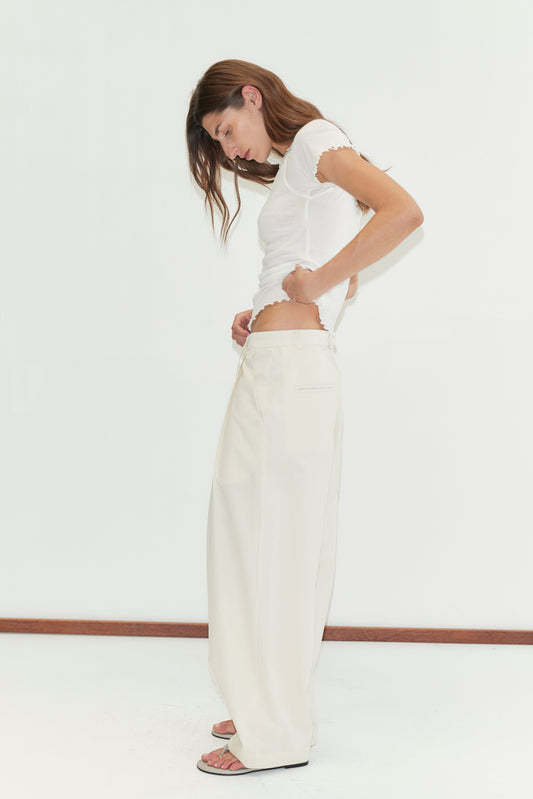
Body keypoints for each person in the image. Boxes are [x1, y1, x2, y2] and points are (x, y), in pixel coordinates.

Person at [186, 59, 423, 776]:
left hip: (288, 371)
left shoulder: (317, 139)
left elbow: (402, 212)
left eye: (227, 130)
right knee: (258, 530)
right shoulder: (298, 165)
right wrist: (259, 311)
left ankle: (274, 731)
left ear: (251, 97)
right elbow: (306, 256)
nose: (230, 151)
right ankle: (265, 699)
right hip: (276, 362)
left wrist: (313, 287)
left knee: (274, 538)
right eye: (219, 143)